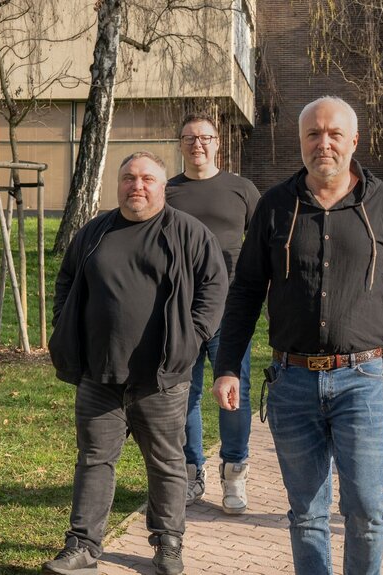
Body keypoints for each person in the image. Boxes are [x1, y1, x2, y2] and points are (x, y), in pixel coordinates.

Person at [212, 97, 383, 575]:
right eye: (313, 134)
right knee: (307, 514)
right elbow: (245, 290)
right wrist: (228, 366)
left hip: (361, 379)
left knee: (367, 507)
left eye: (334, 133)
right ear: (301, 141)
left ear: (354, 141)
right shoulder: (276, 206)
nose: (323, 143)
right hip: (292, 383)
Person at [43, 152, 228, 575]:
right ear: (119, 183)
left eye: (147, 178)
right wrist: (63, 321)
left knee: (166, 463)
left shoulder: (188, 233)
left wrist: (192, 338)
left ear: (163, 186)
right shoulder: (95, 231)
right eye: (129, 178)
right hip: (99, 375)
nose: (137, 186)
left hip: (160, 379)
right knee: (94, 460)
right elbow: (67, 279)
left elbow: (214, 288)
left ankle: (168, 541)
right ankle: (83, 547)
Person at [166, 112, 260, 514]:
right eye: (189, 138)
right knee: (183, 393)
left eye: (205, 137)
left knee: (234, 393)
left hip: (230, 312)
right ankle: (191, 473)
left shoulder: (242, 189)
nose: (197, 144)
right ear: (180, 144)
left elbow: (263, 246)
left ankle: (234, 474)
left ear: (218, 143)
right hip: (178, 312)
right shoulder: (167, 191)